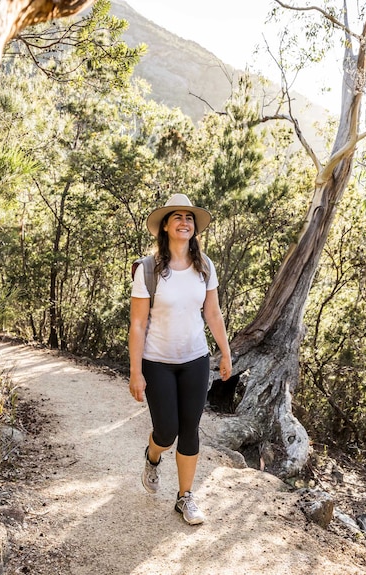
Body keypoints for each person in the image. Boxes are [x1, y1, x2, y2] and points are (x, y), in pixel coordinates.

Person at [128, 193, 232, 525]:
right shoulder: (147, 269)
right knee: (166, 431)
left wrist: (226, 354)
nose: (184, 222)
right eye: (177, 217)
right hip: (156, 361)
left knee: (190, 429)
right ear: (165, 227)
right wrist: (135, 372)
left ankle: (185, 497)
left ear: (194, 228)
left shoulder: (206, 266)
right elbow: (138, 323)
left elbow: (213, 314)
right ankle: (153, 455)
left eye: (189, 218)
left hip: (195, 359)